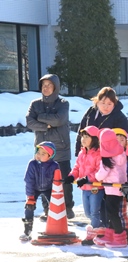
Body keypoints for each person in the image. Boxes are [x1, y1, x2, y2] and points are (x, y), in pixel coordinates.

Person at [76, 87, 128, 228]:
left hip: (110, 161)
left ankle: (111, 227)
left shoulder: (119, 117)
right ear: (97, 101)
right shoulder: (91, 112)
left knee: (108, 197)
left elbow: (125, 138)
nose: (106, 107)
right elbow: (81, 132)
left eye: (109, 104)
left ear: (114, 104)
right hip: (91, 158)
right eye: (103, 103)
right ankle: (101, 225)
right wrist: (80, 151)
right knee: (94, 198)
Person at [26, 74, 74, 220]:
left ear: (55, 87)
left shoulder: (63, 103)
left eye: (49, 85)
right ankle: (48, 210)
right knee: (43, 181)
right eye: (44, 85)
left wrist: (39, 117)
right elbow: (29, 122)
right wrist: (46, 124)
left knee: (64, 180)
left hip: (61, 148)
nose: (46, 88)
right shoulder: (35, 104)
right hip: (42, 150)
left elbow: (59, 120)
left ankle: (67, 208)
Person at [65, 126, 105, 245]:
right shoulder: (82, 153)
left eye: (87, 137)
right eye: (83, 136)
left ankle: (92, 236)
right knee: (87, 212)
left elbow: (99, 171)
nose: (83, 139)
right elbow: (77, 168)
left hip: (95, 188)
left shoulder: (98, 154)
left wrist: (87, 178)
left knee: (94, 212)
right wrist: (72, 176)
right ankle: (100, 227)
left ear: (94, 139)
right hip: (84, 188)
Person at [93, 129, 128, 248]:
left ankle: (119, 236)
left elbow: (102, 173)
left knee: (112, 213)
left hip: (111, 188)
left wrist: (96, 177)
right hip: (120, 186)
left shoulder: (107, 158)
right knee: (113, 212)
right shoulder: (120, 152)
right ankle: (110, 234)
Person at [20, 142, 59, 241]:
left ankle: (55, 228)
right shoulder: (32, 164)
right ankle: (27, 231)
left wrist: (56, 194)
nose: (39, 155)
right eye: (38, 152)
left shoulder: (54, 166)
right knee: (29, 206)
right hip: (35, 188)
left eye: (43, 154)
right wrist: (30, 196)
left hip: (49, 188)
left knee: (56, 207)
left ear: (50, 155)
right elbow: (29, 180)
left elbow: (57, 181)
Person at [112, 128, 128, 244]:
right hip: (111, 186)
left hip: (125, 186)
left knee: (122, 210)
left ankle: (127, 232)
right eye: (116, 139)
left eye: (122, 139)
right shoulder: (108, 154)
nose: (119, 142)